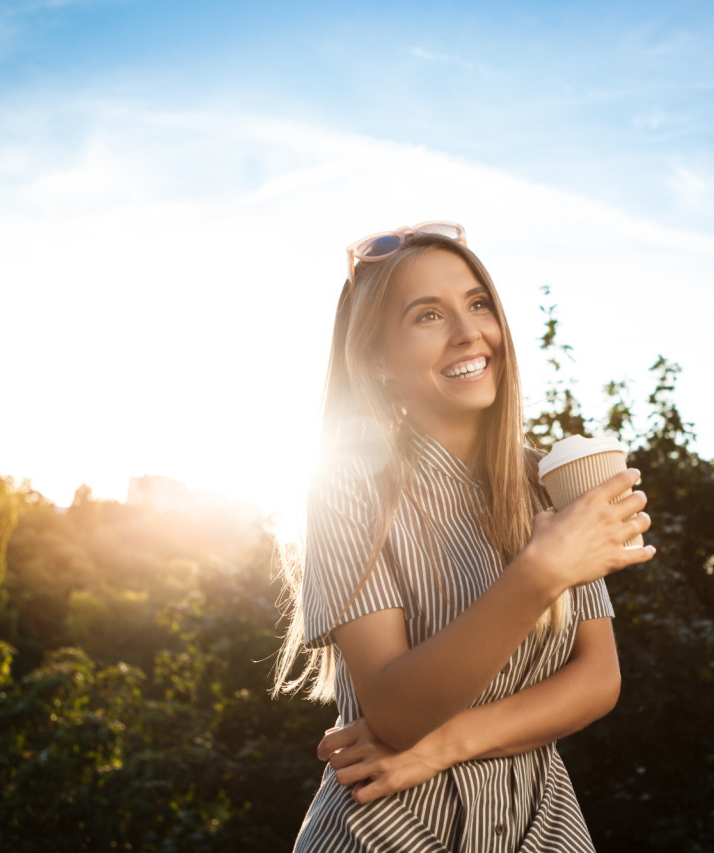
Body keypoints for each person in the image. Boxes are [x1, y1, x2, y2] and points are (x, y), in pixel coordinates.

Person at [272, 221, 655, 852]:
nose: (468, 332)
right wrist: (539, 574)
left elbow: (598, 678)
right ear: (375, 358)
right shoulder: (346, 484)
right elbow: (395, 713)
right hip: (389, 831)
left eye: (478, 304)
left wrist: (443, 747)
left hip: (545, 832)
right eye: (428, 315)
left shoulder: (552, 481)